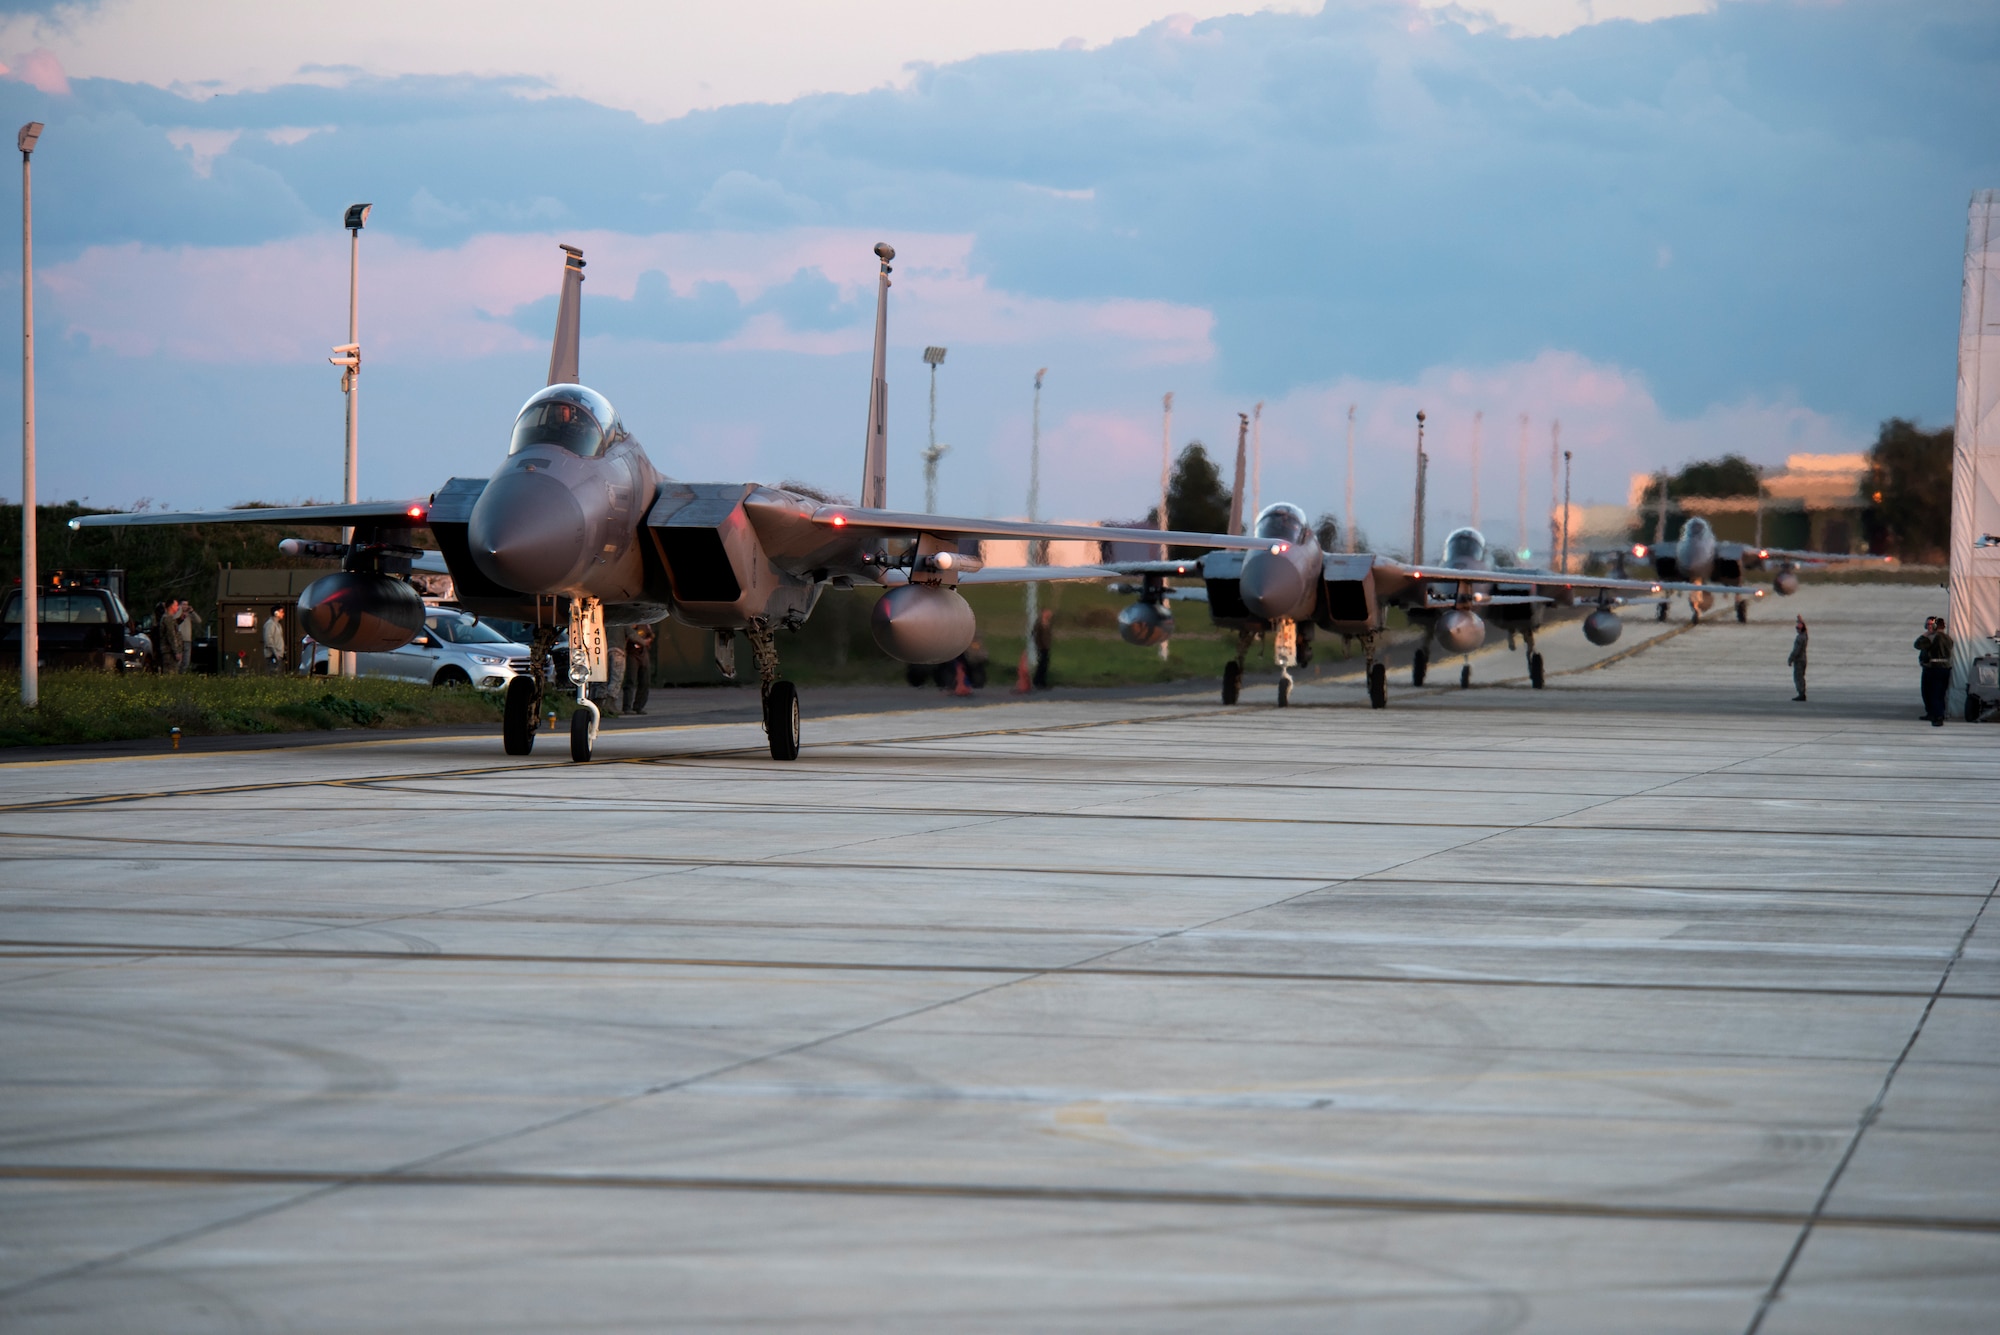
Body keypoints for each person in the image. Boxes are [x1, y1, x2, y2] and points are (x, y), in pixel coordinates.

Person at [1916, 616, 1954, 726]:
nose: (1928, 627)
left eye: (1930, 625)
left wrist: (1925, 634)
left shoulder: (1932, 637)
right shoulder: (1948, 638)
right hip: (1944, 668)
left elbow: (1918, 645)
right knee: (1939, 693)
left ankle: (1937, 716)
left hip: (1933, 668)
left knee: (1931, 693)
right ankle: (1934, 713)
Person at [622, 622, 654, 715]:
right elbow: (630, 635)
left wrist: (648, 640)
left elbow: (650, 634)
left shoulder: (646, 624)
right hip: (631, 652)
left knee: (645, 681)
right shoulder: (628, 623)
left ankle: (639, 706)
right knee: (630, 680)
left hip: (643, 652)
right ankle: (627, 707)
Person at [156, 600, 183, 674]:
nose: (178, 607)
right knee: (170, 672)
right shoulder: (168, 618)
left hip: (170, 651)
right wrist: (176, 651)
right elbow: (171, 635)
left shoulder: (171, 618)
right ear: (171, 606)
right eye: (176, 605)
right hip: (169, 651)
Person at [1031, 608, 1054, 691]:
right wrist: (1039, 645)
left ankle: (1042, 681)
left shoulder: (1048, 623)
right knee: (1041, 664)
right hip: (1041, 647)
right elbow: (1035, 634)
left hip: (1046, 647)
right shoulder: (1039, 623)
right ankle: (1038, 681)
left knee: (1045, 664)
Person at [1786, 615, 1808, 701]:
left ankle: (1801, 694)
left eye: (1797, 628)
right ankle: (1802, 693)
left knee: (1798, 677)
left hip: (1799, 660)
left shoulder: (1800, 638)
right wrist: (1801, 621)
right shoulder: (1805, 636)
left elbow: (1796, 650)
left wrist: (1790, 659)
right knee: (1801, 677)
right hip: (1803, 659)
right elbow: (1806, 630)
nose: (1796, 630)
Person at [262, 605, 287, 674]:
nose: (283, 614)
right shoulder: (270, 624)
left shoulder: (278, 625)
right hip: (272, 655)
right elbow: (268, 639)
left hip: (278, 654)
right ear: (276, 613)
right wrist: (275, 652)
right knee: (273, 673)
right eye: (281, 612)